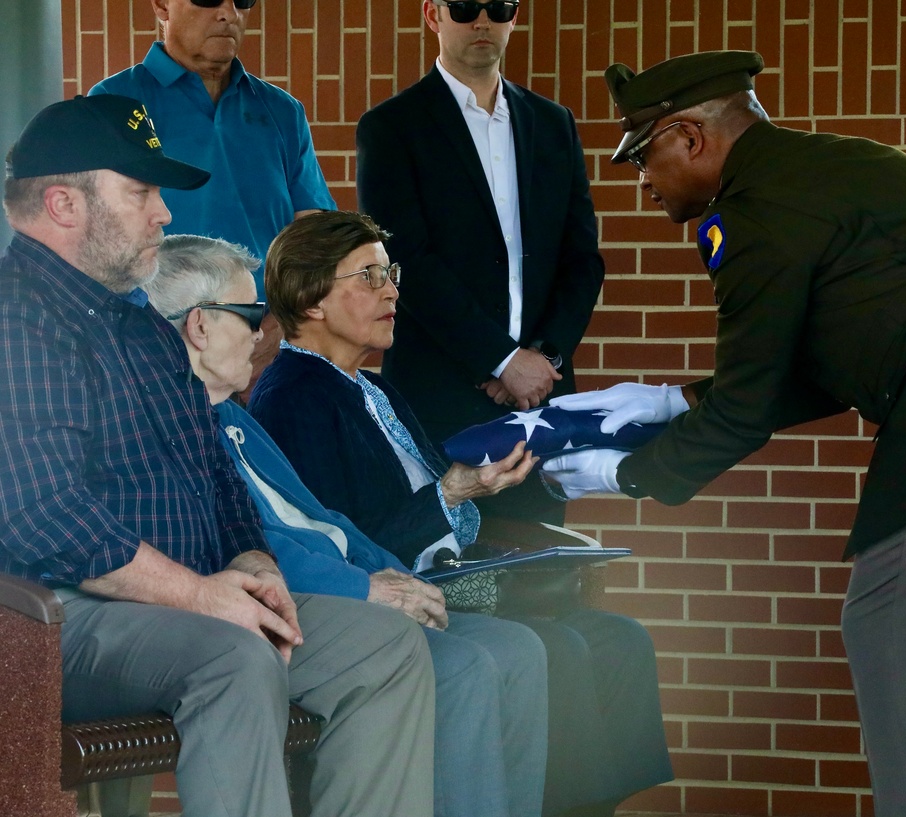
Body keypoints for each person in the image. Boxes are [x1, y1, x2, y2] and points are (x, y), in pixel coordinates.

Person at [542, 49, 906, 817]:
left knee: (891, 618)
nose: (642, 180)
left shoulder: (749, 214)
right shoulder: (839, 164)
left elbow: (748, 407)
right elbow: (842, 352)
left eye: (642, 155)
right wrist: (669, 399)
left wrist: (625, 475)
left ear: (691, 137)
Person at [0, 93, 434, 817]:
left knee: (380, 646)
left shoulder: (138, 324)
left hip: (188, 599)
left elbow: (216, 474)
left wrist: (253, 564)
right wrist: (203, 595)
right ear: (63, 205)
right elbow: (46, 518)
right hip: (54, 620)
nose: (163, 214)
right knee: (231, 656)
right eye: (140, 192)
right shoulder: (19, 320)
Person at [248, 210, 673, 817]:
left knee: (617, 638)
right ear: (310, 296)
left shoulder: (374, 386)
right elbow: (340, 545)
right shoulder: (294, 395)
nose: (392, 289)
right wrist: (451, 493)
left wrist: (490, 479)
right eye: (367, 276)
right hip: (377, 602)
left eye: (389, 272)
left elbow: (434, 496)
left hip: (450, 579)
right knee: (533, 651)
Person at [147, 232, 550, 817]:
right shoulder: (216, 411)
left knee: (516, 646)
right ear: (200, 328)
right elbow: (250, 545)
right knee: (462, 665)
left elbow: (323, 520)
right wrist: (371, 587)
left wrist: (388, 575)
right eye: (250, 314)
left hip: (332, 593)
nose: (265, 332)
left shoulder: (230, 417)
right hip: (267, 615)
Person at [355, 0, 605, 525]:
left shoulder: (553, 123)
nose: (482, 20)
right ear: (432, 15)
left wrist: (543, 358)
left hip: (540, 397)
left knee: (539, 578)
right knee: (443, 574)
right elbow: (408, 261)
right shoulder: (392, 127)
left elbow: (582, 260)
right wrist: (500, 360)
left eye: (499, 6)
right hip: (439, 392)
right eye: (466, 7)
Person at [90, 0, 337, 385]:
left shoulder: (281, 111)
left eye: (242, 1)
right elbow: (95, 244)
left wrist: (275, 330)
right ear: (161, 5)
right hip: (151, 353)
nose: (228, 14)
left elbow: (315, 236)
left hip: (266, 350)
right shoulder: (113, 103)